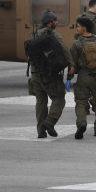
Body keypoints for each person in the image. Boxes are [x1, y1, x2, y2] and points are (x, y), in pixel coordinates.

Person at [26, 10, 74, 138]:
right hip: (49, 75)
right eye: (55, 21)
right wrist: (71, 64)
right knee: (59, 98)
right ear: (50, 23)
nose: (57, 23)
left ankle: (41, 131)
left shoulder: (34, 35)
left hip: (35, 75)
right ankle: (50, 122)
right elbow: (64, 48)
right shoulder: (52, 34)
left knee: (41, 102)